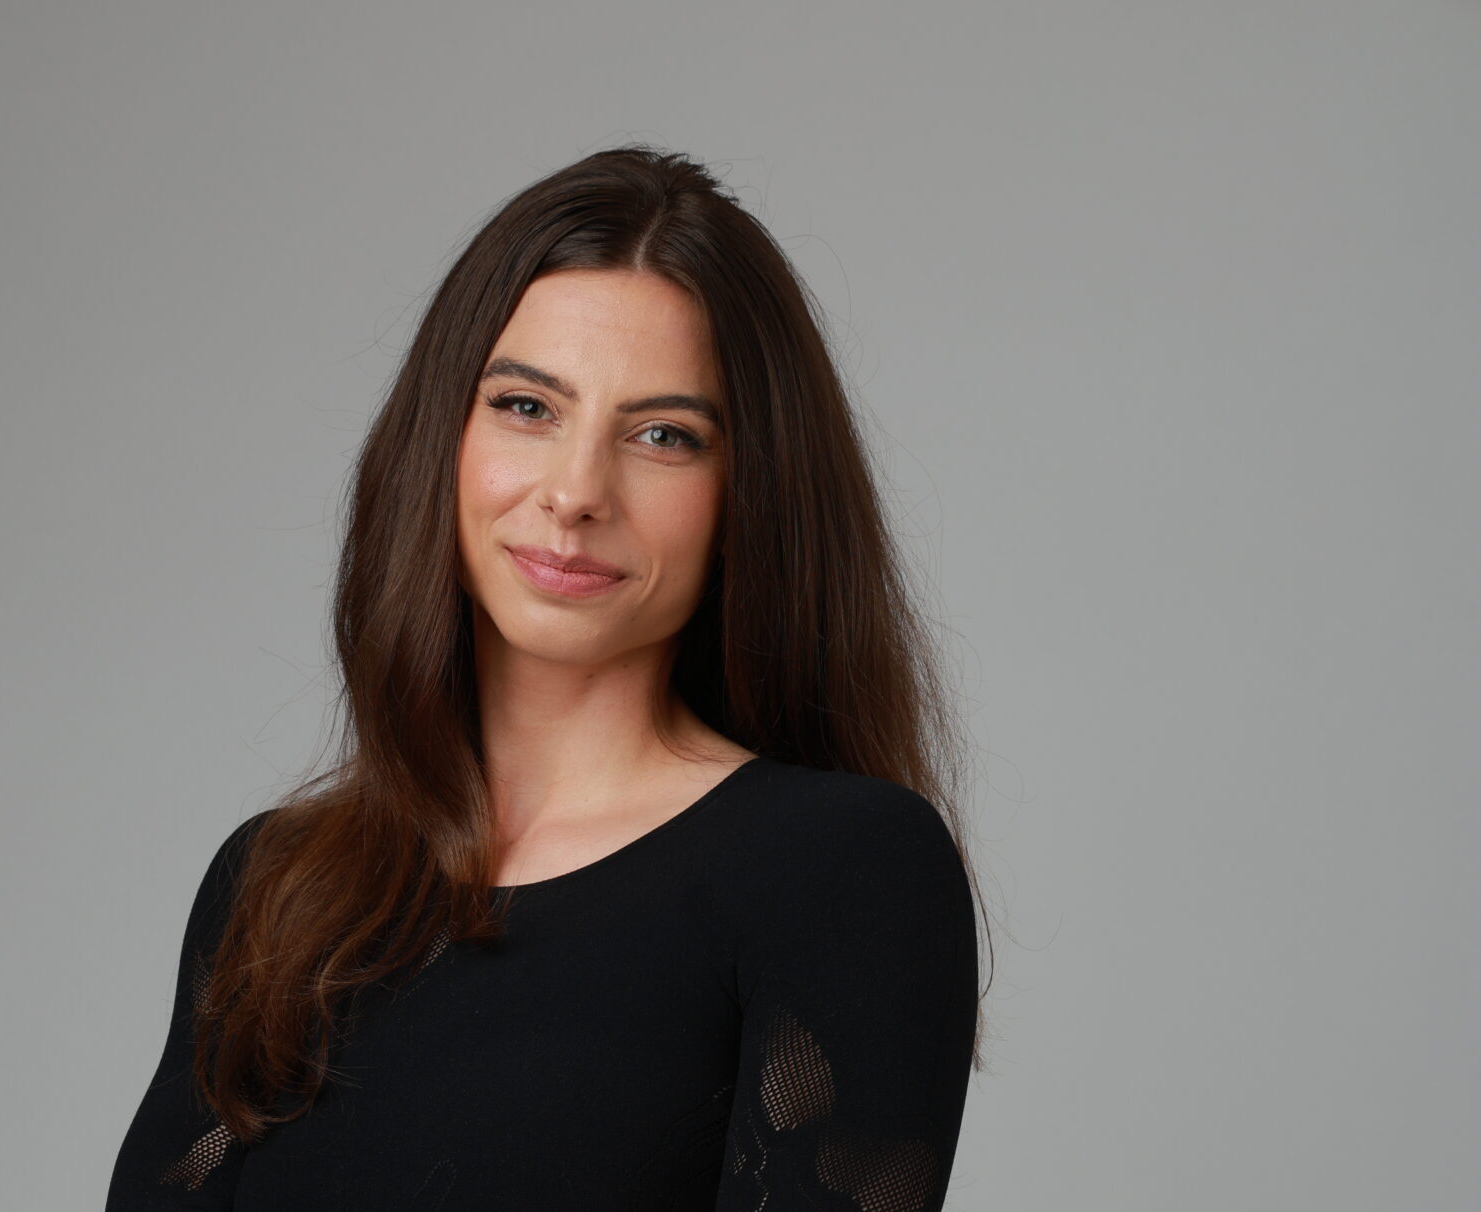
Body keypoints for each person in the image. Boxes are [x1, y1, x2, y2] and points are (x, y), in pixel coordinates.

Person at [104, 145, 992, 1212]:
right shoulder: (278, 885)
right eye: (527, 407)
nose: (575, 493)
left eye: (663, 435)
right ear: (441, 439)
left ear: (748, 495)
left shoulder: (842, 870)